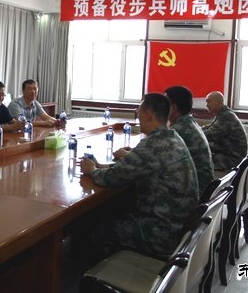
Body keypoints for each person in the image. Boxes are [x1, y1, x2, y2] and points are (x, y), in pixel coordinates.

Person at [80, 93, 199, 258]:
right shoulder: (171, 136)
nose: (137, 113)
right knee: (115, 208)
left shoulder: (154, 144)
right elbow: (133, 167)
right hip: (179, 224)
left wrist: (92, 170)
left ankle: (99, 268)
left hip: (163, 233)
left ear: (149, 114)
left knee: (98, 225)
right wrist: (100, 166)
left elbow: (112, 178)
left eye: (139, 109)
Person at [164, 85, 214, 194]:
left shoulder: (179, 130)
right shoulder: (190, 122)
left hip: (194, 191)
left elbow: (154, 158)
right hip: (202, 186)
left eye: (165, 104)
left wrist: (128, 154)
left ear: (174, 108)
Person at [202, 91, 248, 171]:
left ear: (219, 102)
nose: (206, 105)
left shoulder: (226, 116)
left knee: (198, 158)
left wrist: (194, 133)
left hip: (232, 160)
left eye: (209, 101)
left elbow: (210, 135)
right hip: (229, 154)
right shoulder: (223, 113)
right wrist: (196, 129)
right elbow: (209, 127)